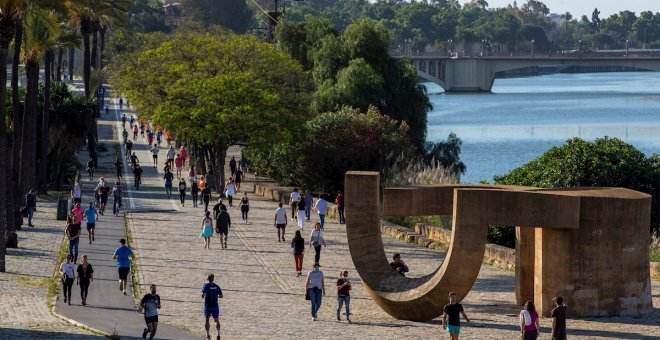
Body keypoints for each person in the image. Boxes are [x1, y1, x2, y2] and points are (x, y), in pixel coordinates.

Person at [201, 274, 223, 340]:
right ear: (213, 279)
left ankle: (208, 335)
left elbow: (203, 295)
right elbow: (221, 295)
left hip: (208, 305)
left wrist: (204, 295)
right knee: (216, 320)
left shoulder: (206, 286)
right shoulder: (217, 286)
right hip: (215, 306)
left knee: (207, 320)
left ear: (208, 279)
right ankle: (218, 334)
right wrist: (217, 296)